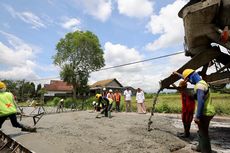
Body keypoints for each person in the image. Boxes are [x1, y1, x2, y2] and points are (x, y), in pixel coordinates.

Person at [177, 69, 215, 152]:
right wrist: (177, 74)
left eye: (188, 79)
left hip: (205, 112)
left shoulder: (199, 86)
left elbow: (200, 100)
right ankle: (200, 147)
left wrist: (197, 116)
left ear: (192, 76)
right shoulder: (202, 82)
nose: (189, 81)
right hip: (209, 111)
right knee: (202, 130)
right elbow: (188, 78)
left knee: (203, 133)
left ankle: (206, 150)